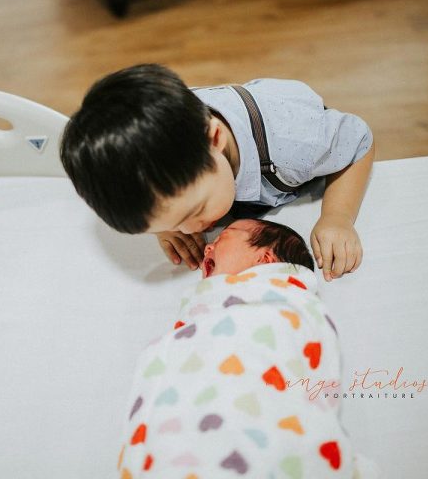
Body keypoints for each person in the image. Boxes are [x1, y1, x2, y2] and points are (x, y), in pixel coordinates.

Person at [116, 218, 381, 477]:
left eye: (223, 238)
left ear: (264, 260)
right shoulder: (203, 316)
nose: (208, 247)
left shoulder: (285, 308)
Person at [59, 64, 374, 282]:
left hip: (284, 120)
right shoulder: (176, 154)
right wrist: (164, 225)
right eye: (176, 224)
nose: (190, 230)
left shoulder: (296, 143)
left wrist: (337, 218)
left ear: (215, 139)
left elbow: (359, 142)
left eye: (194, 212)